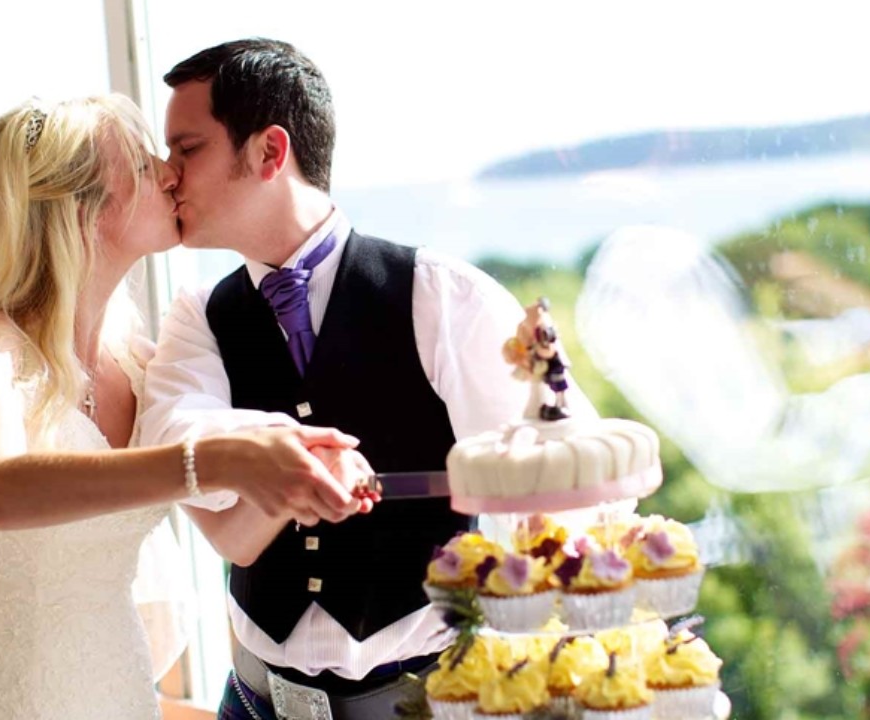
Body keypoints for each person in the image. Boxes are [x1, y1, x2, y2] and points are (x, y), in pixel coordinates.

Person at [0, 94, 371, 720]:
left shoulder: (142, 362)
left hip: (111, 689)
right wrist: (214, 460)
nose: (168, 172)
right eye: (140, 164)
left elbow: (233, 540)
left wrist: (301, 465)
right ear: (80, 210)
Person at [139, 38, 598, 719]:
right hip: (251, 703)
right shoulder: (199, 317)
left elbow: (558, 480)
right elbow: (177, 447)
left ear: (269, 152)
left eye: (188, 149)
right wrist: (292, 449)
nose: (168, 174)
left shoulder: (443, 296)